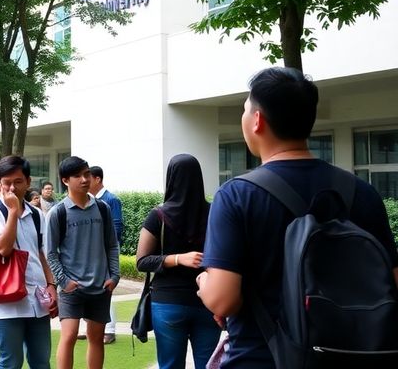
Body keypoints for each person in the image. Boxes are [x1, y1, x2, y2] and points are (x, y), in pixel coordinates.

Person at [198, 67, 398, 367]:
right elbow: (391, 283)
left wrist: (204, 280)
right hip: (353, 355)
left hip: (263, 358)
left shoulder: (236, 195)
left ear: (257, 120)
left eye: (244, 109)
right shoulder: (362, 193)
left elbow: (223, 299)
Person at [136, 154, 220, 369]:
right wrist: (180, 259)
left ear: (171, 177)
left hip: (168, 303)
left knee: (171, 365)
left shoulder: (158, 216)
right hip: (209, 301)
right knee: (209, 365)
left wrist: (174, 259)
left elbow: (142, 260)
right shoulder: (215, 214)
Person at [0, 156, 59, 369]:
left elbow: (41, 253)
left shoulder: (36, 214)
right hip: (5, 300)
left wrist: (51, 285)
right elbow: (4, 248)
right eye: (6, 182)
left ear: (28, 182)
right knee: (10, 362)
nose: (11, 188)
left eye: (17, 182)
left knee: (41, 361)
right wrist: (13, 211)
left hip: (36, 298)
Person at [47, 156, 120, 369]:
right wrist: (64, 281)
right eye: (77, 175)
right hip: (71, 288)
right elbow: (51, 252)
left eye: (87, 174)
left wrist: (114, 276)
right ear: (65, 180)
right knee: (68, 336)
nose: (84, 179)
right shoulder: (57, 212)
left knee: (96, 338)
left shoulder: (103, 208)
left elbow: (112, 246)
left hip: (100, 286)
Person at [88, 166, 124, 344]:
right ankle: (90, 328)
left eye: (88, 177)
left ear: (97, 179)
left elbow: (117, 228)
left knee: (106, 288)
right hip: (93, 253)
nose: (85, 181)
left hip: (106, 251)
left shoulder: (111, 199)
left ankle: (109, 330)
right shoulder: (88, 200)